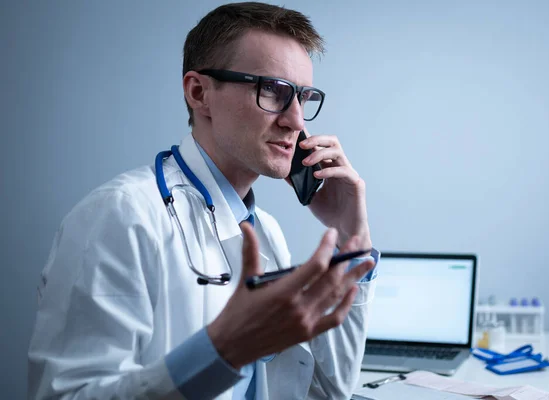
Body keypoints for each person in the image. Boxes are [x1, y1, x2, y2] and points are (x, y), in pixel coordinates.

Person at [28, 2, 379, 399]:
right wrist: (224, 352)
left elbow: (329, 391)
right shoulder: (120, 217)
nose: (297, 121)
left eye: (303, 96)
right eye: (274, 91)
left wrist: (351, 237)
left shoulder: (267, 232)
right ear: (200, 93)